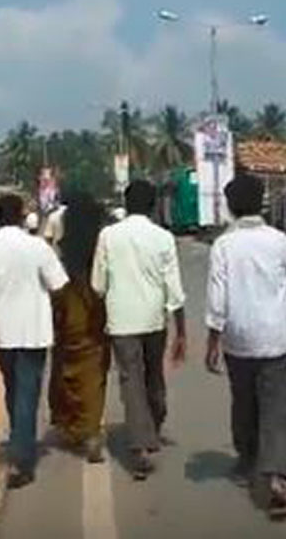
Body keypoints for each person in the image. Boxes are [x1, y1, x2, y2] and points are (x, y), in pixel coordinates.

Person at [205, 174, 286, 518]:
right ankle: (276, 475)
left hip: (239, 337)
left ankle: (248, 459)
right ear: (261, 202)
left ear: (231, 206)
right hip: (277, 335)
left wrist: (212, 340)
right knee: (276, 407)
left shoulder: (223, 246)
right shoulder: (279, 241)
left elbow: (217, 298)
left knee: (244, 402)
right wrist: (285, 305)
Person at [91, 179, 187, 481]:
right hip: (154, 321)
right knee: (153, 374)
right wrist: (182, 330)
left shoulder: (108, 236)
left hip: (121, 321)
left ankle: (140, 446)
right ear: (152, 205)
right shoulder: (163, 238)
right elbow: (174, 289)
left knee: (131, 380)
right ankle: (153, 424)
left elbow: (98, 284)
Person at [0, 194, 69, 489]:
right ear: (20, 215)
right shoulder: (37, 247)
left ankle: (20, 441)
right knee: (27, 392)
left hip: (2, 332)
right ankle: (24, 458)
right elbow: (59, 284)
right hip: (33, 331)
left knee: (13, 390)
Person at [49, 193, 111, 463]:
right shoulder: (102, 245)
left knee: (67, 373)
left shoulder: (64, 248)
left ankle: (72, 427)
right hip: (96, 315)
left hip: (69, 315)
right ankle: (92, 432)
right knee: (94, 376)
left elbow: (55, 286)